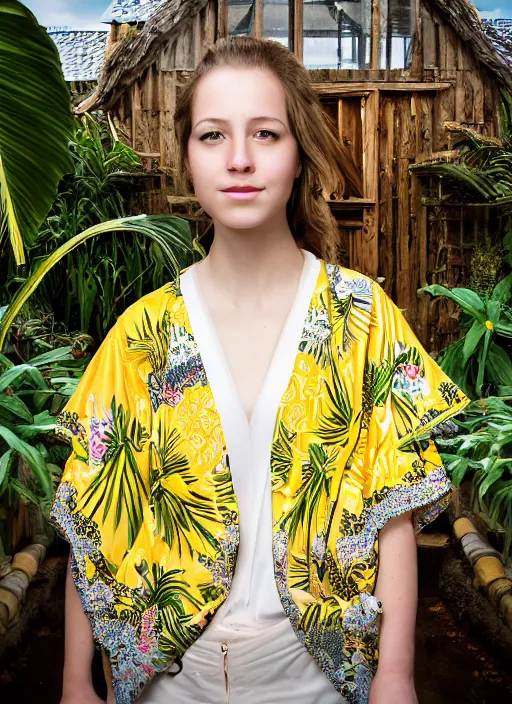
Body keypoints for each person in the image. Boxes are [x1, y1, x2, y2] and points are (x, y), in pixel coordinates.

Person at [52, 36, 470, 704]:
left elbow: (393, 515)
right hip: (170, 682)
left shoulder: (361, 317)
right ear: (188, 155)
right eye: (213, 135)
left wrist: (396, 678)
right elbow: (94, 519)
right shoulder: (140, 334)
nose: (239, 159)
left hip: (317, 682)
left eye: (266, 134)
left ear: (300, 152)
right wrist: (76, 682)